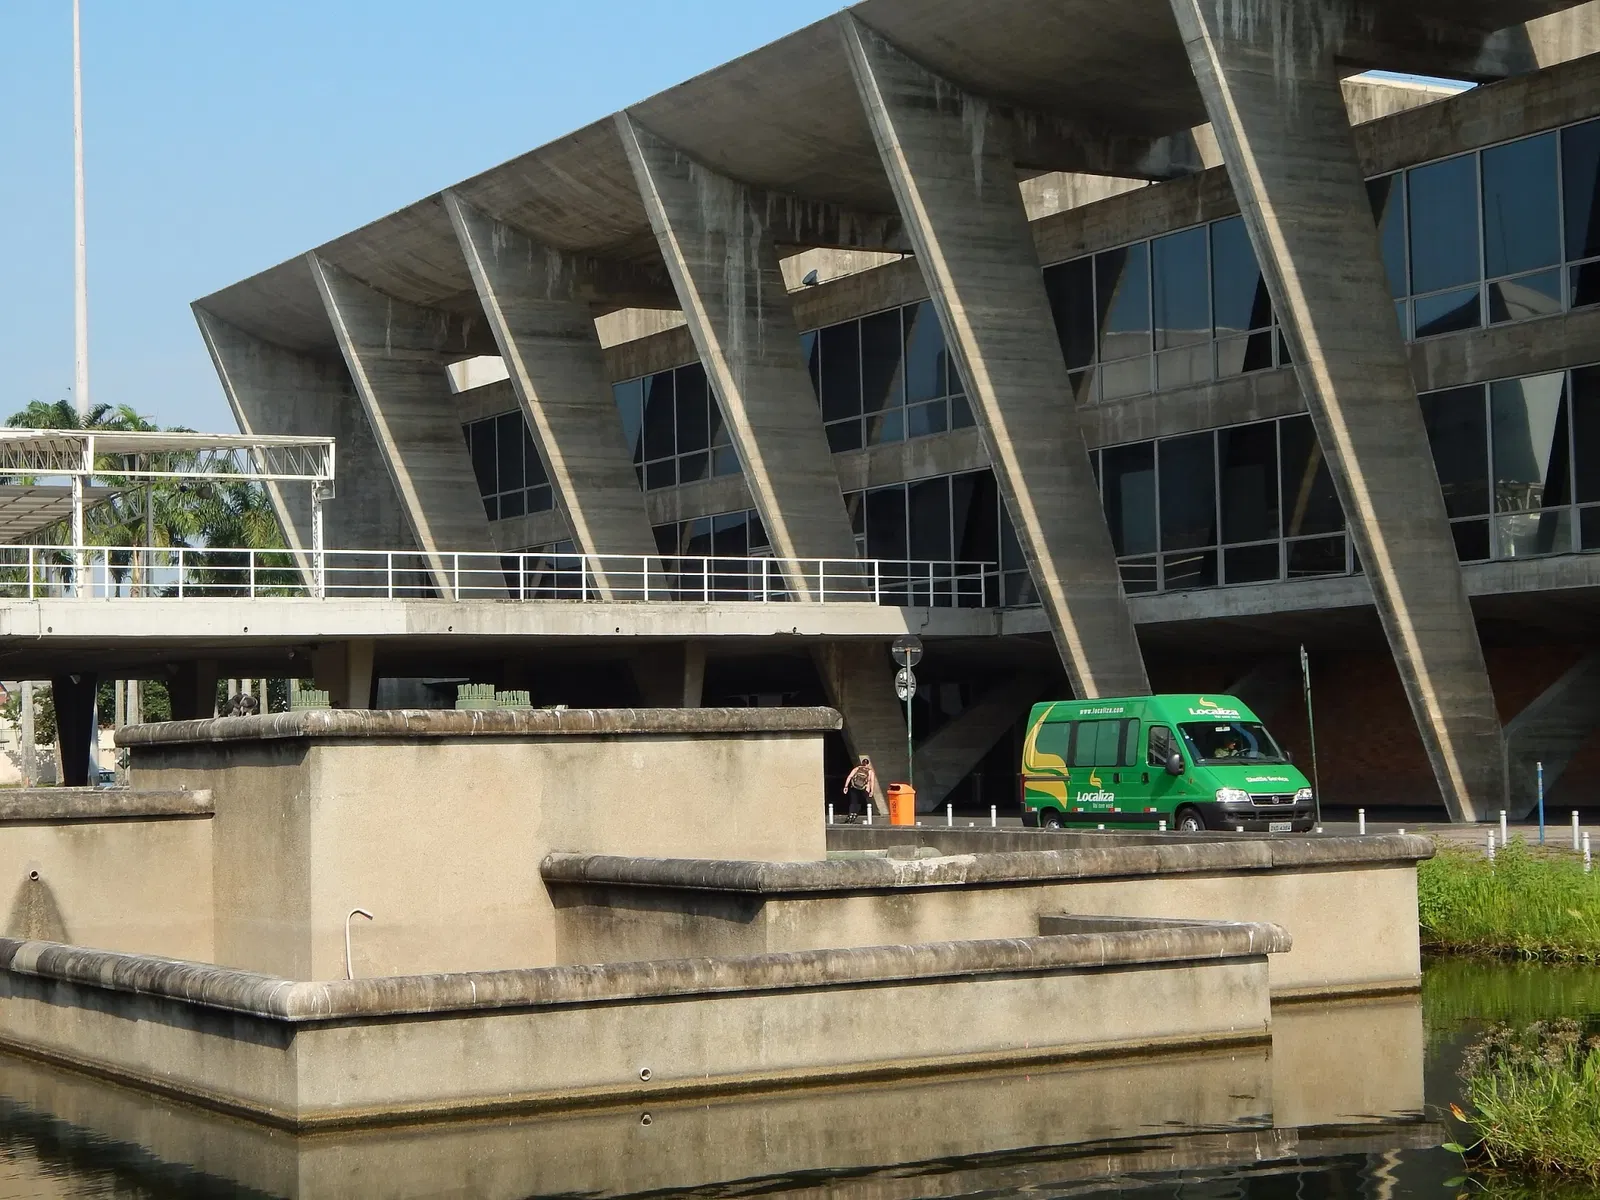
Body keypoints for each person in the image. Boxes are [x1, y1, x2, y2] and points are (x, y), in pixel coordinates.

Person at [842, 755, 876, 822]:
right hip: (864, 789)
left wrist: (846, 786)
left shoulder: (856, 769)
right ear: (868, 764)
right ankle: (855, 814)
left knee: (853, 801)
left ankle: (850, 814)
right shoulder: (870, 772)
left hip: (854, 787)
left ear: (862, 763)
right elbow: (872, 781)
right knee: (859, 802)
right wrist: (871, 791)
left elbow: (849, 777)